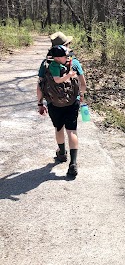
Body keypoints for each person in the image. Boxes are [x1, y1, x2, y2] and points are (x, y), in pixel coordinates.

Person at [37, 36, 87, 177]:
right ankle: (73, 164)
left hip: (53, 102)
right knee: (71, 131)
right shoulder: (74, 62)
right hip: (72, 101)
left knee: (59, 128)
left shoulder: (45, 64)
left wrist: (40, 103)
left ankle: (62, 153)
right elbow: (83, 84)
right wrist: (81, 95)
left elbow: (40, 85)